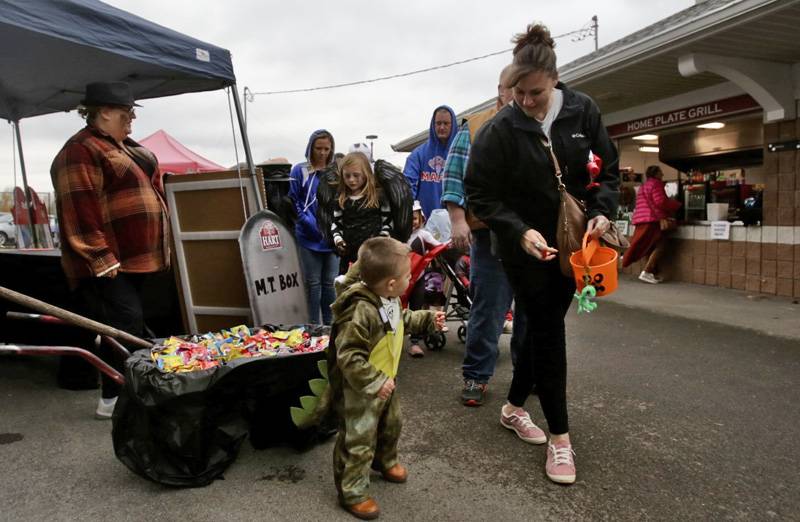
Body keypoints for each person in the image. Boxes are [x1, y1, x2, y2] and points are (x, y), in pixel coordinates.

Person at [464, 23, 620, 485]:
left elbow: (608, 168)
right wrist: (519, 231)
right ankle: (561, 438)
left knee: (542, 327)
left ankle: (513, 408)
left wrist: (602, 211)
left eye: (534, 92)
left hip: (576, 242)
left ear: (554, 80)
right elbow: (480, 194)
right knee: (549, 330)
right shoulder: (499, 129)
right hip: (525, 249)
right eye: (518, 92)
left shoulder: (582, 110)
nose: (525, 102)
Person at [50, 81, 170, 419]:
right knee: (124, 326)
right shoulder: (81, 149)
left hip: (135, 260)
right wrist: (100, 258)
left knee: (131, 324)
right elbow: (79, 206)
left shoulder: (123, 146)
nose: (132, 118)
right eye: (125, 112)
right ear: (103, 113)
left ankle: (131, 390)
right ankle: (114, 398)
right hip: (108, 262)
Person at [329, 237, 444, 520]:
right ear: (392, 283)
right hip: (363, 387)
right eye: (408, 276)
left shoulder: (388, 298)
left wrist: (428, 320)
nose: (411, 279)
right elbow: (349, 355)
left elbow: (401, 321)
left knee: (392, 423)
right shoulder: (361, 311)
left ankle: (384, 460)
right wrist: (375, 381)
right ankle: (352, 491)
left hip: (386, 381)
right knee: (359, 439)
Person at [441, 63, 529, 406]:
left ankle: (527, 374)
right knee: (488, 309)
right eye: (514, 88)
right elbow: (453, 177)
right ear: (500, 89)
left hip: (534, 236)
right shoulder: (475, 126)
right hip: (490, 235)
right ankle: (476, 376)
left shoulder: (537, 125)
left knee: (530, 313)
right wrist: (458, 220)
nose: (520, 95)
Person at [289, 130, 339, 325]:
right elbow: (294, 201)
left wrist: (333, 228)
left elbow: (339, 201)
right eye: (318, 148)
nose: (322, 153)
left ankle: (329, 327)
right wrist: (308, 223)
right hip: (308, 236)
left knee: (330, 284)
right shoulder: (299, 170)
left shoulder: (334, 171)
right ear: (310, 147)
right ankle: (312, 327)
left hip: (330, 236)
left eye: (327, 149)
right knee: (313, 284)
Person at [331, 152, 393, 273]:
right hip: (349, 257)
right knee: (348, 288)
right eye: (347, 176)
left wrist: (381, 240)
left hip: (373, 254)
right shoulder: (341, 199)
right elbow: (336, 224)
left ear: (366, 174)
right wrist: (338, 240)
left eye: (356, 175)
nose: (351, 180)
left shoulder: (378, 197)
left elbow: (388, 223)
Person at [623, 165, 681, 284]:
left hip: (641, 219)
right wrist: (676, 205)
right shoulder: (656, 184)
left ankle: (651, 273)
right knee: (661, 245)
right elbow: (660, 201)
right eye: (661, 172)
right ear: (656, 174)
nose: (663, 175)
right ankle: (647, 271)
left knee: (649, 246)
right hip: (652, 220)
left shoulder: (643, 186)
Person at [403, 105, 458, 219]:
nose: (442, 127)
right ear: (433, 125)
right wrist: (413, 213)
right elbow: (407, 187)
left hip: (455, 224)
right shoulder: (418, 155)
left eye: (446, 123)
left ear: (453, 125)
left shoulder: (460, 154)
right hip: (424, 224)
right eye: (438, 123)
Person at [405, 201, 443, 357]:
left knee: (416, 308)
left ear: (421, 218)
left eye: (414, 218)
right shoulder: (398, 235)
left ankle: (414, 343)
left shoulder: (424, 234)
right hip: (400, 278)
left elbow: (439, 246)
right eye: (408, 218)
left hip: (418, 277)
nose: (412, 222)